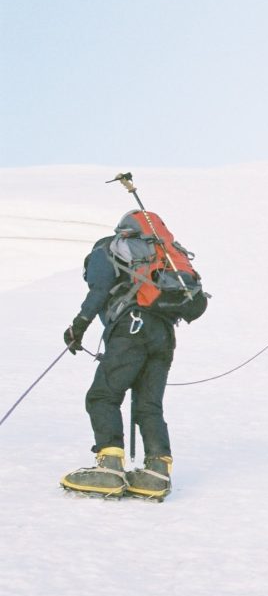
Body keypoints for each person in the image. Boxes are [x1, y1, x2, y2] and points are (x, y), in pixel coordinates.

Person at [60, 212, 180, 499]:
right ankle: (157, 471)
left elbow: (100, 290)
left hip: (131, 330)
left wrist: (78, 327)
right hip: (164, 336)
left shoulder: (103, 251)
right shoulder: (156, 256)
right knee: (148, 404)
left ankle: (110, 467)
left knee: (103, 396)